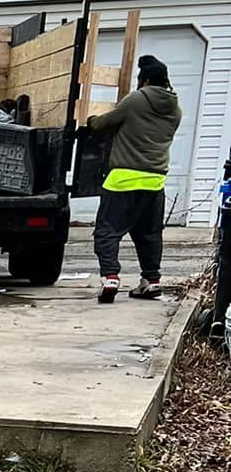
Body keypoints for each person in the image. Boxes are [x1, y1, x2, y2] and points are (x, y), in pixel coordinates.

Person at [84, 55, 182, 304]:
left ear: (145, 80)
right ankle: (151, 281)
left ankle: (110, 277)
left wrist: (90, 122)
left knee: (107, 231)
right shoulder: (175, 109)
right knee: (149, 234)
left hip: (123, 179)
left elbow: (106, 123)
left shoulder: (136, 100)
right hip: (155, 181)